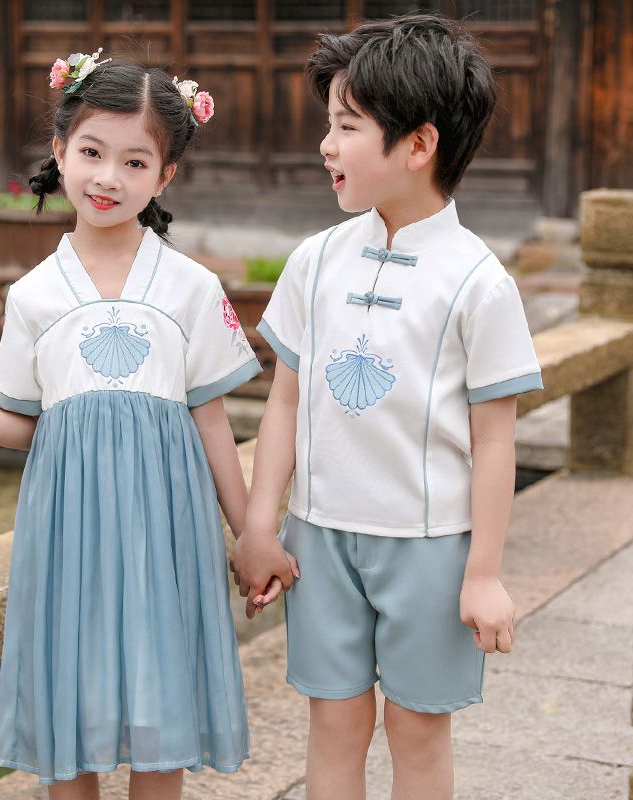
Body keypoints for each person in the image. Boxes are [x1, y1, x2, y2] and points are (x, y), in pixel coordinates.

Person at [0, 52, 260, 800]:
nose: (107, 178)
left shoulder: (190, 288)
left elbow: (212, 422)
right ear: (59, 152)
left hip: (169, 533)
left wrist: (249, 536)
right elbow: (35, 427)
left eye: (134, 160)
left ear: (166, 175)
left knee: (161, 716)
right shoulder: (34, 296)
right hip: (67, 536)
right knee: (73, 715)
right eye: (91, 152)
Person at [230, 14, 543, 800]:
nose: (326, 146)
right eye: (328, 125)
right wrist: (261, 527)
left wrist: (484, 575)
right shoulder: (316, 259)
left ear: (418, 144)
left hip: (430, 551)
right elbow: (284, 403)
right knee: (333, 726)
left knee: (416, 731)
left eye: (347, 126)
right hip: (322, 541)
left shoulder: (478, 282)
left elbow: (495, 441)